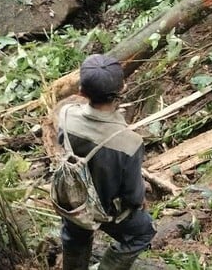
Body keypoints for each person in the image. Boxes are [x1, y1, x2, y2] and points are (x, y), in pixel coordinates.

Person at [58, 54, 156, 270]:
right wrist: (138, 200)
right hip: (106, 211)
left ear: (81, 92)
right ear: (122, 88)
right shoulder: (129, 142)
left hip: (73, 201)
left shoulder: (65, 116)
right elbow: (132, 195)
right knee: (144, 231)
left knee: (75, 234)